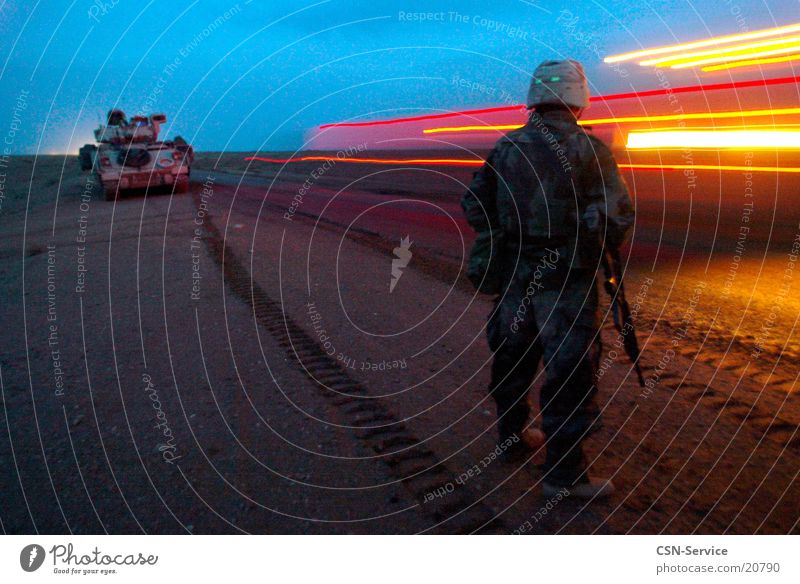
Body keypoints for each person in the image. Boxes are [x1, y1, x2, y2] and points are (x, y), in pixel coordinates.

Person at [461, 60, 634, 499]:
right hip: (568, 283)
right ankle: (563, 476)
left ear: (533, 97)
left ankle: (512, 439)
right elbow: (617, 219)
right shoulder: (591, 150)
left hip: (518, 277)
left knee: (512, 359)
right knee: (570, 373)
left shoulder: (508, 147)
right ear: (579, 98)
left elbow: (473, 205)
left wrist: (509, 231)